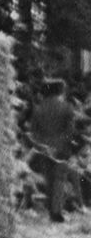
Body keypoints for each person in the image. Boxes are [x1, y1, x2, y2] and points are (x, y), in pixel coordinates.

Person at [30, 77, 80, 221]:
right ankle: (56, 211)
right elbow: (70, 131)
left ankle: (51, 208)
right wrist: (61, 143)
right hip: (61, 147)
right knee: (59, 179)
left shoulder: (38, 108)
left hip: (44, 148)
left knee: (49, 178)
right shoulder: (67, 107)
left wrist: (43, 145)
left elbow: (34, 131)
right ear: (61, 90)